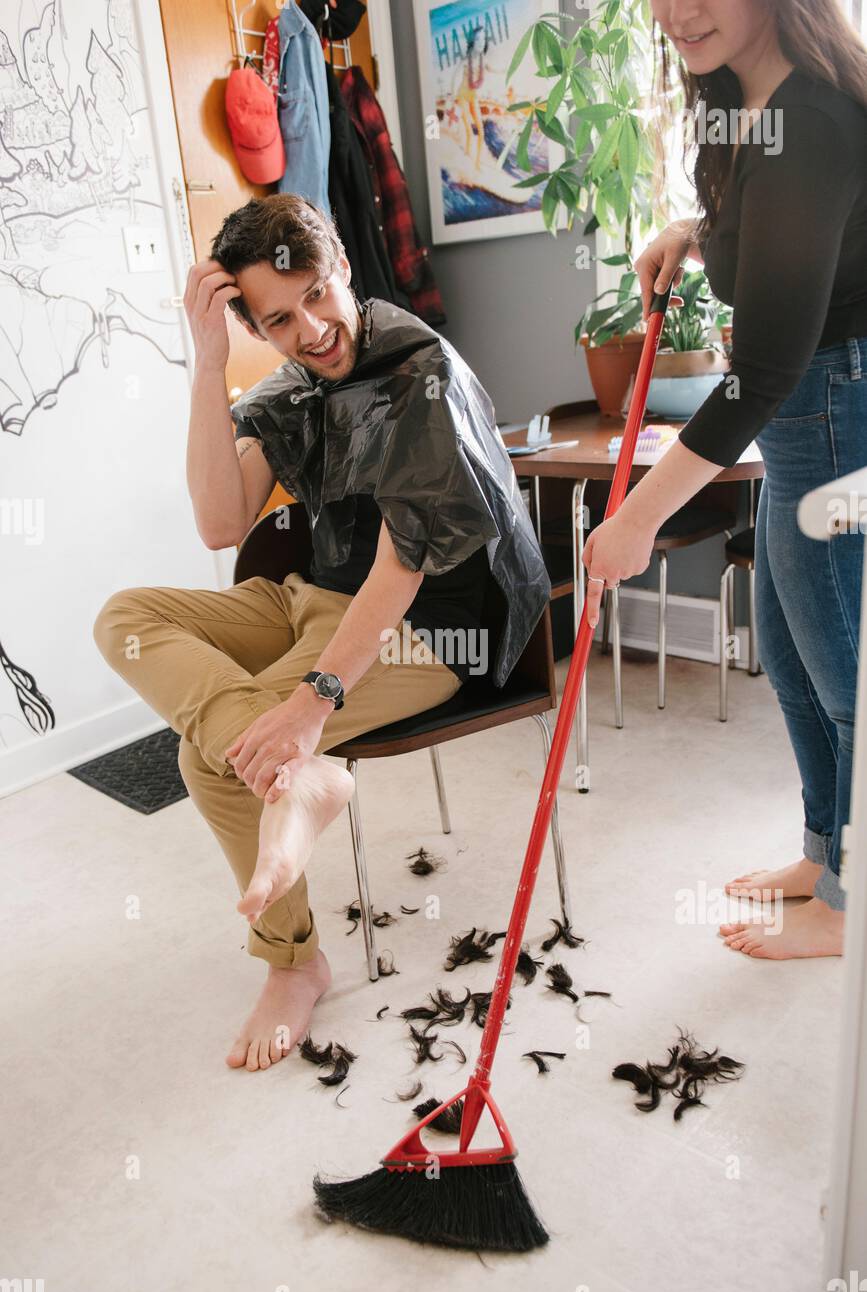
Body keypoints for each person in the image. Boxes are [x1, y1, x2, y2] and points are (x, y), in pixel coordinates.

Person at [92, 193, 548, 1069]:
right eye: (278, 319)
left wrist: (313, 702)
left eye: (314, 294)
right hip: (307, 595)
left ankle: (293, 964)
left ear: (340, 263)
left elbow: (400, 567)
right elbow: (222, 523)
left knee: (210, 760)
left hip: (426, 629)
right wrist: (206, 362)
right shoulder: (293, 384)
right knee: (129, 619)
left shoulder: (423, 373)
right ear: (257, 327)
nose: (310, 328)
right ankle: (296, 782)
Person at [583, 0, 867, 960]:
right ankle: (827, 854)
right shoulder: (744, 106)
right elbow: (786, 239)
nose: (676, 12)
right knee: (790, 660)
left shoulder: (814, 119)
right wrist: (693, 234)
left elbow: (767, 368)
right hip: (810, 410)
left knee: (846, 680)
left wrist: (634, 518)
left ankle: (853, 902)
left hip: (834, 405)